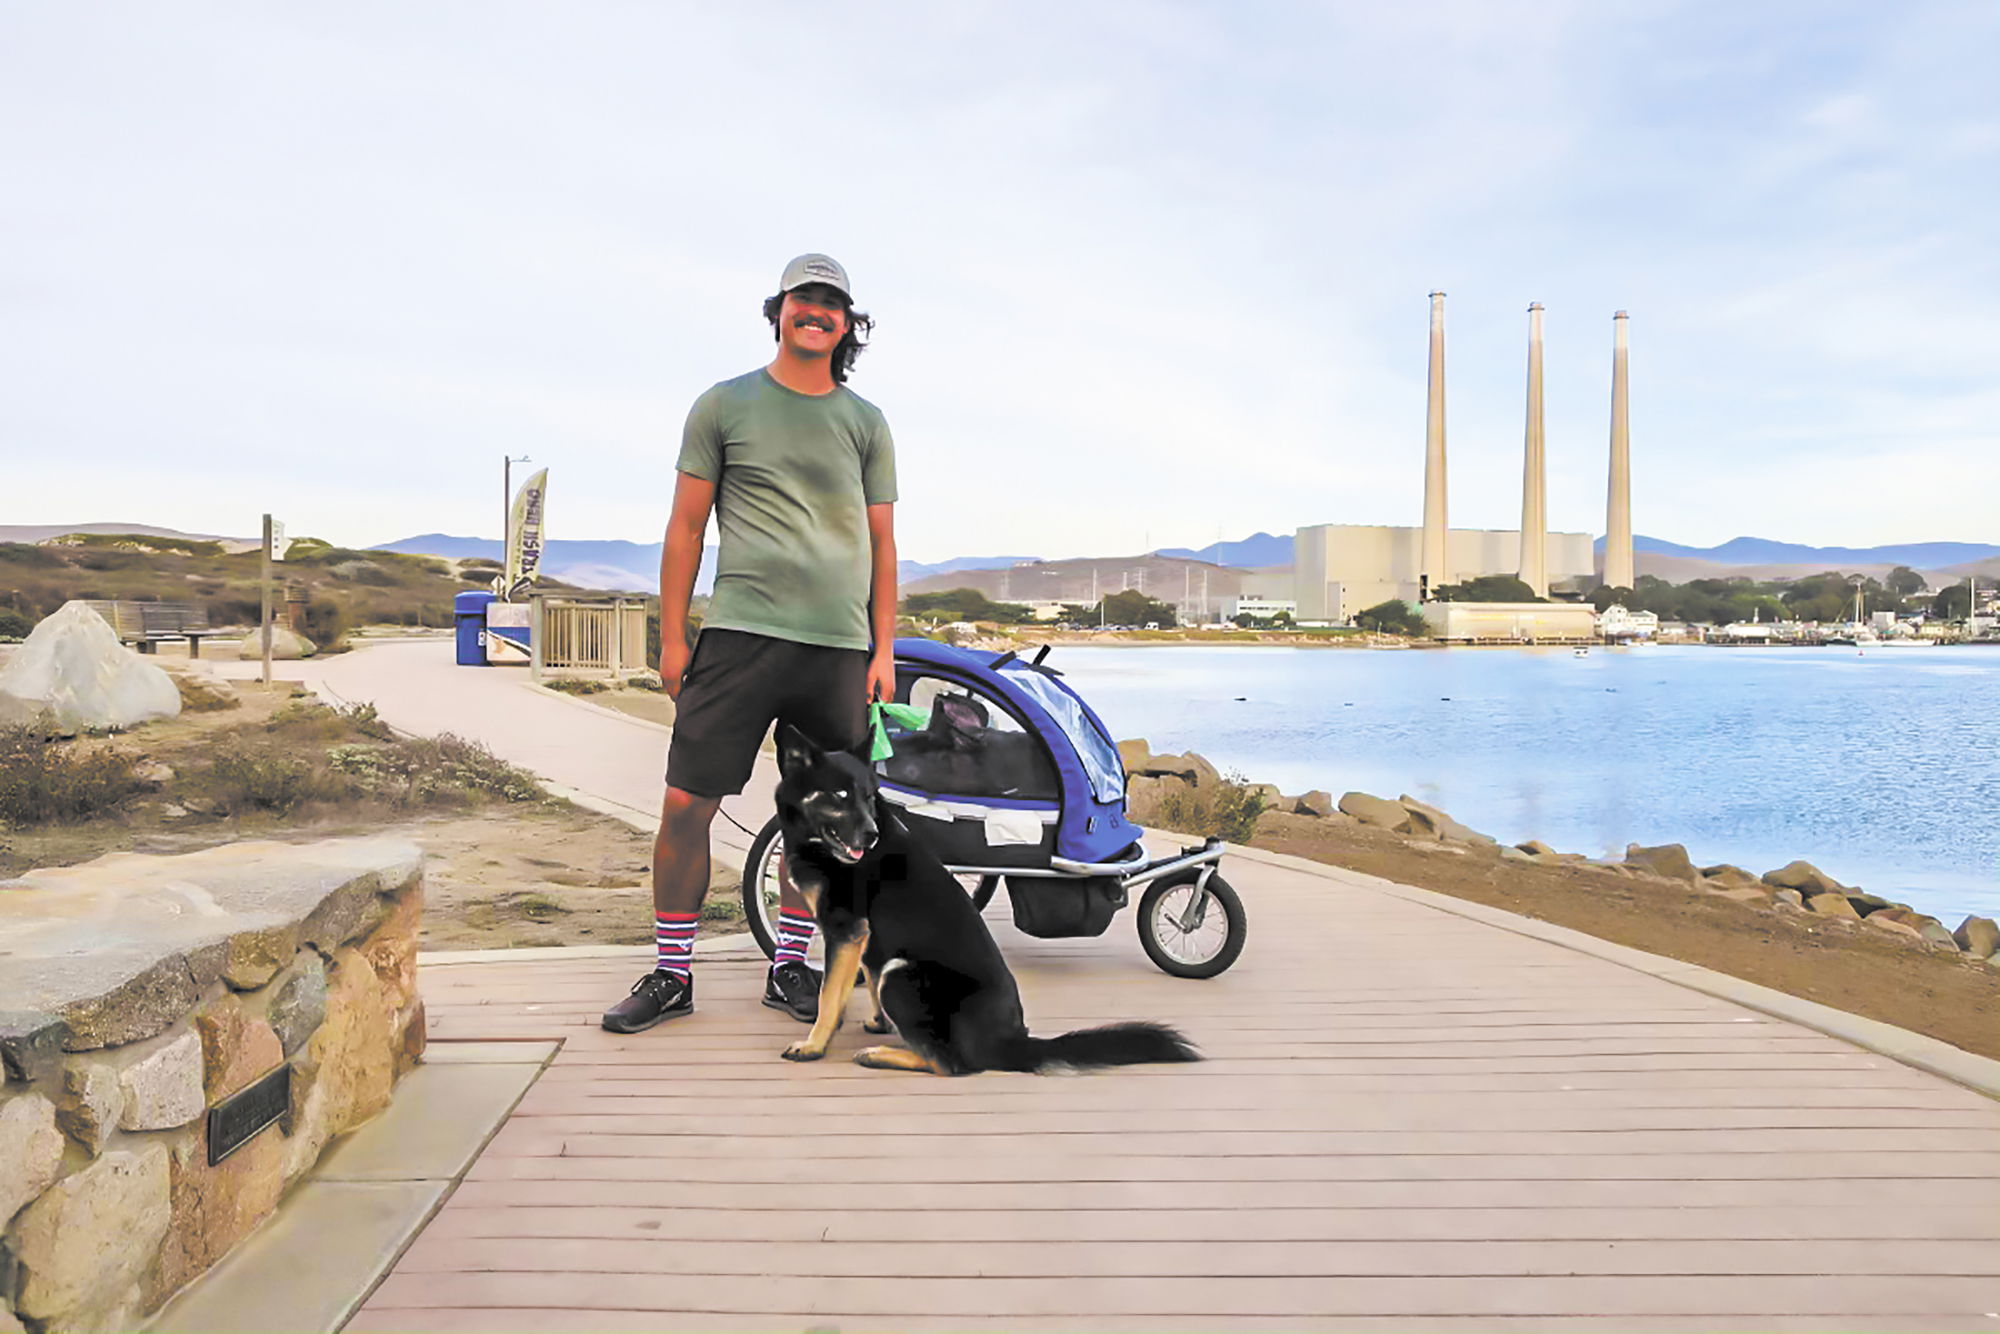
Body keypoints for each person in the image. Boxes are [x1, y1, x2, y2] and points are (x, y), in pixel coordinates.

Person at [602, 253, 897, 1033]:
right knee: (684, 804)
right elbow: (685, 527)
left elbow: (882, 544)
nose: (817, 311)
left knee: (823, 819)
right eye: (804, 298)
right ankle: (672, 974)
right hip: (738, 637)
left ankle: (789, 968)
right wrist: (673, 639)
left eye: (832, 302)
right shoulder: (723, 405)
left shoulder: (866, 422)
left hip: (836, 647)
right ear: (779, 311)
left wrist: (883, 650)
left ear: (847, 324)